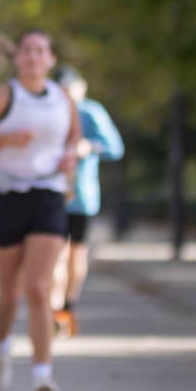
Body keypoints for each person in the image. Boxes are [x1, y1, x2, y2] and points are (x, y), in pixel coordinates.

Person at [0, 28, 81, 391]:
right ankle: (1, 348)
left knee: (39, 288)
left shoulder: (63, 99)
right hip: (7, 194)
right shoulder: (2, 96)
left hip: (48, 194)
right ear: (17, 58)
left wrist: (71, 158)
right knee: (10, 293)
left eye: (41, 50)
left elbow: (74, 140)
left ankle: (43, 377)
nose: (33, 56)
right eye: (27, 50)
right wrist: (5, 140)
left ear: (51, 59)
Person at [50, 66, 124, 336]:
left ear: (81, 87)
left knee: (76, 255)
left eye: (70, 88)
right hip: (53, 194)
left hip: (81, 197)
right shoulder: (50, 110)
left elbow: (115, 148)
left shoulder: (91, 112)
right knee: (55, 255)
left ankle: (68, 306)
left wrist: (89, 147)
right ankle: (54, 310)